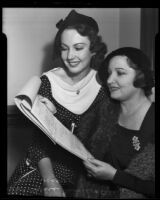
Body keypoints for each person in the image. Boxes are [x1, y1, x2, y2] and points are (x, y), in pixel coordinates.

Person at [8, 10, 120, 198]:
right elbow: (38, 142)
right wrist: (50, 181)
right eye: (64, 48)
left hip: (87, 169)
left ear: (93, 49)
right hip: (46, 166)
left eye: (78, 47)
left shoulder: (105, 86)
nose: (70, 56)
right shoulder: (47, 82)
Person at [84, 47, 155, 198]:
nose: (109, 80)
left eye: (120, 73)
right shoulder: (105, 111)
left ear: (141, 77)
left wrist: (114, 176)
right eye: (109, 74)